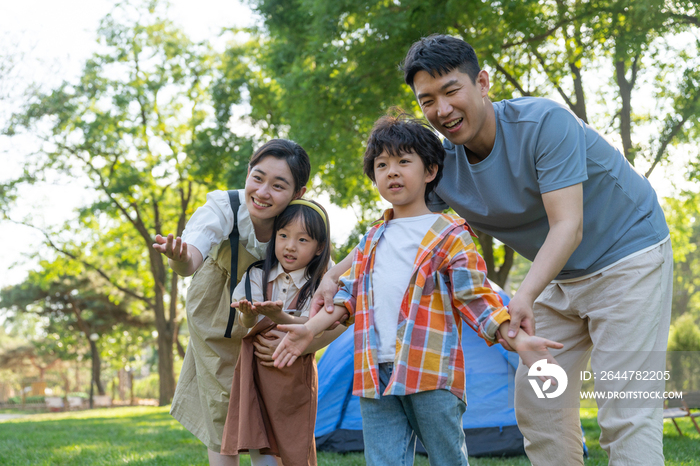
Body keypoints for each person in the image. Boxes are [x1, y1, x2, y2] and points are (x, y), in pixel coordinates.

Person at [273, 113, 563, 466]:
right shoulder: (371, 239)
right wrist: (309, 330)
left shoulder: (450, 235)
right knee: (383, 461)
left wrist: (519, 342)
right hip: (372, 371)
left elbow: (476, 299)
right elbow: (349, 299)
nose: (392, 171)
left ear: (430, 171)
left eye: (403, 161)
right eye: (382, 164)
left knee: (447, 459)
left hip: (430, 370)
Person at [152, 139, 311, 466]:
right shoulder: (224, 207)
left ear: (298, 193)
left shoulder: (304, 224)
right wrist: (178, 258)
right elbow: (190, 260)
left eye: (278, 185)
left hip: (270, 315)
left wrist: (303, 334)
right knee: (222, 406)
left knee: (269, 405)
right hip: (218, 317)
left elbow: (321, 284)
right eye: (257, 177)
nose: (263, 192)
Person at [220, 199, 337, 466]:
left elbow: (314, 325)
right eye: (283, 236)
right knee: (260, 446)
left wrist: (278, 316)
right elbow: (245, 321)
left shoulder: (320, 286)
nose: (290, 246)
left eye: (303, 240)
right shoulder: (255, 275)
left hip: (294, 376)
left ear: (320, 247)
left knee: (295, 445)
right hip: (256, 372)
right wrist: (248, 315)